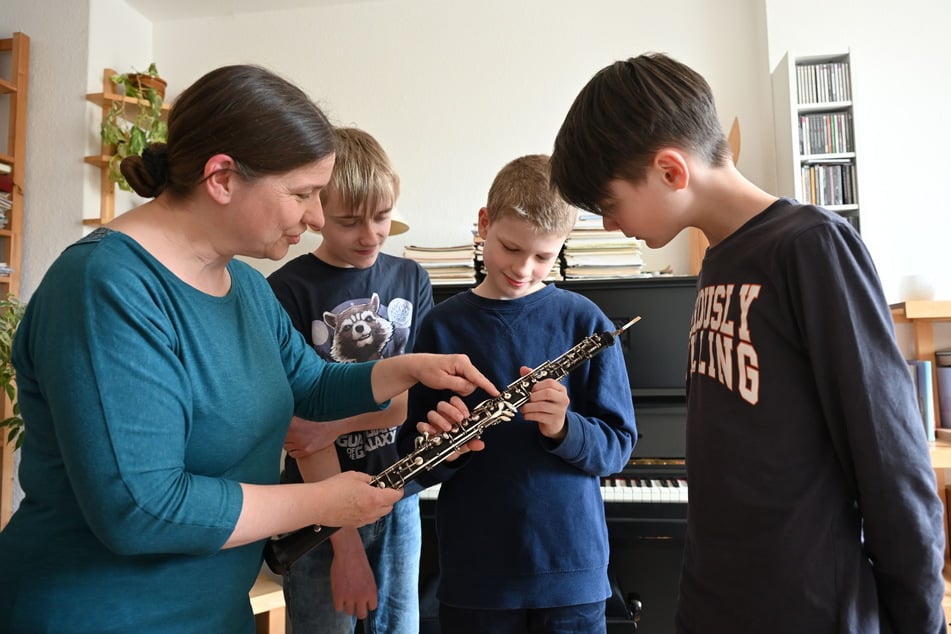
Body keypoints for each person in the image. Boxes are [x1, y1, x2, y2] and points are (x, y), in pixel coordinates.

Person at [0, 64, 497, 634]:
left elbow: (310, 385)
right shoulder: (106, 287)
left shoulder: (247, 288)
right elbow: (141, 510)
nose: (314, 218)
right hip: (103, 614)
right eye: (303, 194)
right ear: (222, 178)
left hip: (214, 611)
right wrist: (323, 504)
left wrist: (410, 367)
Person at [549, 52, 947, 634]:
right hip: (717, 602)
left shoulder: (812, 247)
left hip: (805, 609)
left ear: (670, 171)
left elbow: (892, 460)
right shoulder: (718, 260)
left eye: (609, 205)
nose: (610, 225)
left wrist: (919, 619)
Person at [398, 154, 637, 634]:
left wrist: (565, 428)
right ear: (483, 225)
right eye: (511, 247)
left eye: (544, 257)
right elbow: (410, 454)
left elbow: (618, 447)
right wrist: (444, 445)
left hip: (572, 573)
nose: (524, 268)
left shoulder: (585, 320)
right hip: (477, 574)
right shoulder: (440, 326)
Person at [267, 126, 431, 634]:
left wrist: (333, 427)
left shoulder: (411, 279)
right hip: (317, 508)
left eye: (382, 218)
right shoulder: (286, 290)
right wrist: (347, 547)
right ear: (316, 212)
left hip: (400, 495)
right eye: (348, 221)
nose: (370, 236)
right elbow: (300, 434)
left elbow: (412, 400)